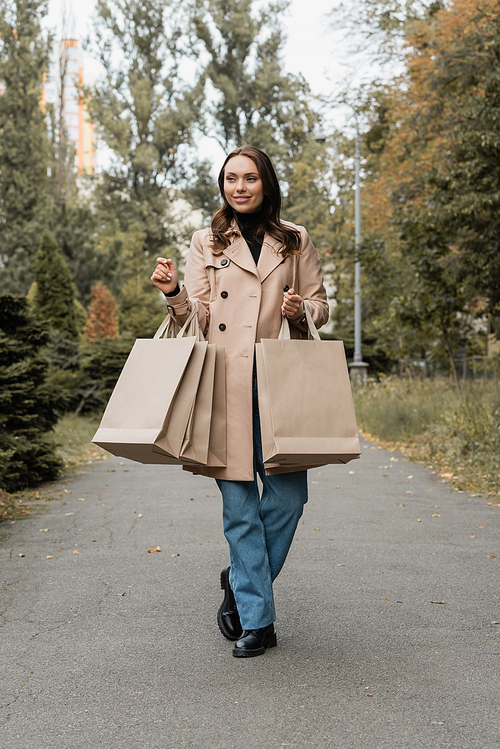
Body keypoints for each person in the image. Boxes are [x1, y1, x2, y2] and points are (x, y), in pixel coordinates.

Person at [151, 145, 329, 657]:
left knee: (289, 501)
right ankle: (258, 620)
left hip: (280, 383)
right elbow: (200, 317)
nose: (240, 187)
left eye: (250, 178)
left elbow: (321, 307)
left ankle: (239, 576)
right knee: (239, 509)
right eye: (231, 178)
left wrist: (299, 312)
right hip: (226, 385)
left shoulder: (295, 240)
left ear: (266, 184)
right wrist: (173, 293)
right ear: (223, 185)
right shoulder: (206, 240)